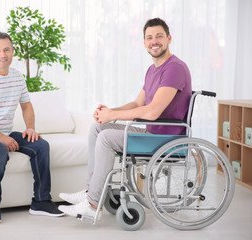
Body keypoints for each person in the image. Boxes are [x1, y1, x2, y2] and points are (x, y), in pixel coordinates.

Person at [58, 18, 192, 218]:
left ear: (169, 38)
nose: (154, 41)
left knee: (106, 138)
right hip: (152, 133)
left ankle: (93, 206)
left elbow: (152, 112)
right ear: (144, 42)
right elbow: (139, 104)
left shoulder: (174, 68)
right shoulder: (153, 69)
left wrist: (113, 116)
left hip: (166, 139)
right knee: (98, 128)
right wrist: (109, 112)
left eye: (159, 36)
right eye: (149, 37)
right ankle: (90, 192)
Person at [0, 32, 64, 224]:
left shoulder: (17, 77)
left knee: (41, 145)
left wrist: (31, 128)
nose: (3, 54)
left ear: (13, 51)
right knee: (0, 150)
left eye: (6, 49)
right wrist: (1, 138)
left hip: (6, 132)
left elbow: (26, 105)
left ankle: (41, 202)